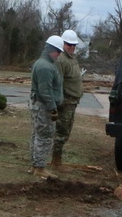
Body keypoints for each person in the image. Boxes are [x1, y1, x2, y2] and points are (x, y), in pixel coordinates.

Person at [29, 35, 64, 179]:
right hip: (44, 107)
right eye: (58, 51)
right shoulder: (45, 67)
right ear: (51, 50)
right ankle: (39, 167)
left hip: (41, 105)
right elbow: (45, 91)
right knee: (44, 136)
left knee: (37, 135)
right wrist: (53, 108)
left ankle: (35, 164)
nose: (59, 55)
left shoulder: (44, 63)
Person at [50, 29, 83, 170]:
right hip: (65, 102)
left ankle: (57, 160)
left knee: (66, 132)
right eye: (69, 44)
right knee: (61, 133)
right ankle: (56, 162)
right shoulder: (61, 60)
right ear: (63, 43)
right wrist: (59, 102)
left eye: (74, 45)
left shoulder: (72, 59)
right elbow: (58, 83)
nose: (72, 47)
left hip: (72, 102)